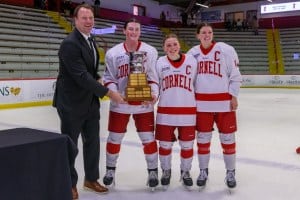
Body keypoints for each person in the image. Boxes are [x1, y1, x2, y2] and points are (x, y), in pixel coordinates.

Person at [52, 4, 124, 200]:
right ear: (75, 20)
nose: (88, 21)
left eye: (91, 17)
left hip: (90, 103)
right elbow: (81, 76)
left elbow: (90, 71)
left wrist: (101, 78)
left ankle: (91, 179)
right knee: (70, 146)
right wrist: (108, 92)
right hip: (71, 103)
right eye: (84, 18)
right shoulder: (69, 43)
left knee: (92, 143)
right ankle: (69, 184)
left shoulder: (90, 39)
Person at [102, 18, 159, 190]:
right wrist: (115, 93)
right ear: (124, 31)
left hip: (143, 103)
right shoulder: (113, 53)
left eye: (137, 29)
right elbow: (108, 78)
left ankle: (152, 171)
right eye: (130, 29)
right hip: (121, 103)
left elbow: (153, 77)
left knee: (148, 139)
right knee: (114, 138)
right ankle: (110, 170)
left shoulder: (150, 51)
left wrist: (154, 94)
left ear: (140, 32)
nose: (133, 32)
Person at [187, 23, 242, 190]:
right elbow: (188, 81)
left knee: (228, 140)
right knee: (203, 141)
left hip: (224, 104)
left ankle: (230, 172)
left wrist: (233, 95)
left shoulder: (226, 49)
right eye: (203, 32)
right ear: (197, 35)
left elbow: (235, 75)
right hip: (201, 105)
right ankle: (203, 171)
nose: (206, 35)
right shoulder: (192, 54)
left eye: (209, 32)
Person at [155, 33, 197, 189]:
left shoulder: (192, 61)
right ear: (164, 48)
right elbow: (155, 84)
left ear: (179, 45)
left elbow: (197, 83)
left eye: (174, 44)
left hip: (188, 111)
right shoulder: (159, 62)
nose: (172, 47)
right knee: (165, 145)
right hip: (165, 112)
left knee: (187, 145)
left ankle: (185, 171)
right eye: (168, 45)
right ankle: (166, 171)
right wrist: (153, 95)